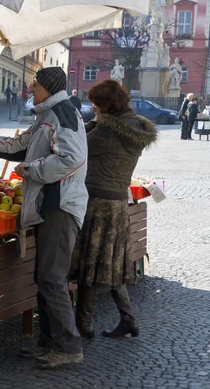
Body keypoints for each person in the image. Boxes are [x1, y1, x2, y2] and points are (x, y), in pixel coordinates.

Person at [0, 67, 88, 369]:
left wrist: (31, 170)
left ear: (48, 87)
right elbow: (19, 146)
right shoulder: (47, 114)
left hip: (61, 206)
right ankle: (49, 344)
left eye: (34, 85)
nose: (30, 90)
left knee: (52, 278)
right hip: (47, 207)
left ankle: (68, 347)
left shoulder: (63, 113)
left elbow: (72, 158)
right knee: (43, 277)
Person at [70, 79, 157, 340]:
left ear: (107, 105)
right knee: (111, 263)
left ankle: (83, 324)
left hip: (98, 202)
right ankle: (128, 318)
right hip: (118, 201)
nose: (93, 107)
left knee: (89, 262)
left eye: (96, 104)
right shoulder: (136, 127)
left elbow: (78, 147)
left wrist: (94, 122)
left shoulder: (109, 130)